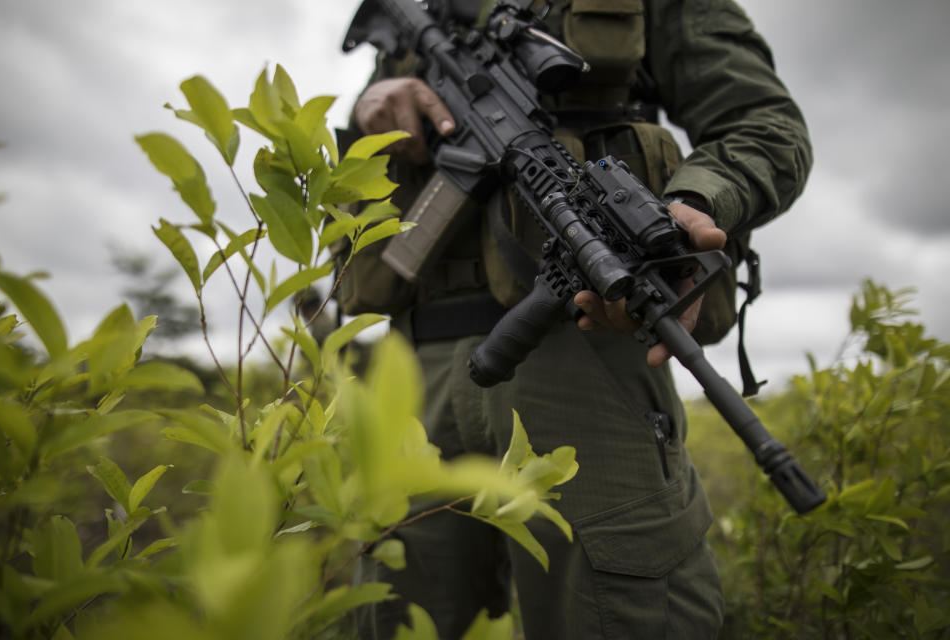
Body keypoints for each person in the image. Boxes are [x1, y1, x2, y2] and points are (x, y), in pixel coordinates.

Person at [340, 0, 812, 637]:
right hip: (410, 375)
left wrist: (694, 200)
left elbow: (765, 124)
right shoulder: (416, 14)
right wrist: (371, 109)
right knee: (395, 616)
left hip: (587, 361)